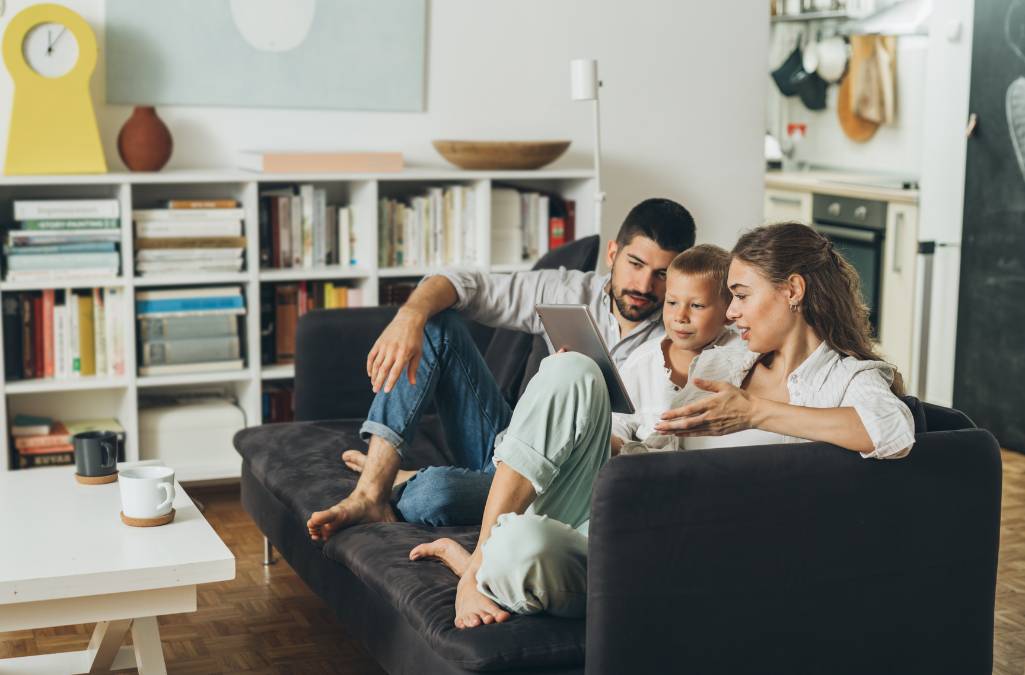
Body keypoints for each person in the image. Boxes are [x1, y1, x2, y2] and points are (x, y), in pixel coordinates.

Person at [409, 221, 915, 629]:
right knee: (570, 368)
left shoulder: (848, 376)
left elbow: (891, 432)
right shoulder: (726, 363)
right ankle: (477, 568)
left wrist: (755, 412)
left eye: (739, 295)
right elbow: (654, 433)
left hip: (674, 558)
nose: (732, 313)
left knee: (522, 547)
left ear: (793, 291)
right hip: (626, 510)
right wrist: (592, 437)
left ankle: (482, 562)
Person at [307, 198, 697, 539]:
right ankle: (370, 494)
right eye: (636, 264)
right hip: (503, 443)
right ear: (613, 252)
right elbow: (468, 284)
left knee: (434, 495)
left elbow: (650, 444)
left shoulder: (681, 337)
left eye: (662, 274)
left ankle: (408, 478)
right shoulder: (569, 291)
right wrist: (409, 315)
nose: (644, 285)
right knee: (435, 323)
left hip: (561, 480)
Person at [610, 243, 742, 455]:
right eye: (672, 302)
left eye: (697, 306)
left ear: (728, 312)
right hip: (647, 466)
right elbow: (618, 420)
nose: (680, 316)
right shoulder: (643, 359)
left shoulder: (742, 356)